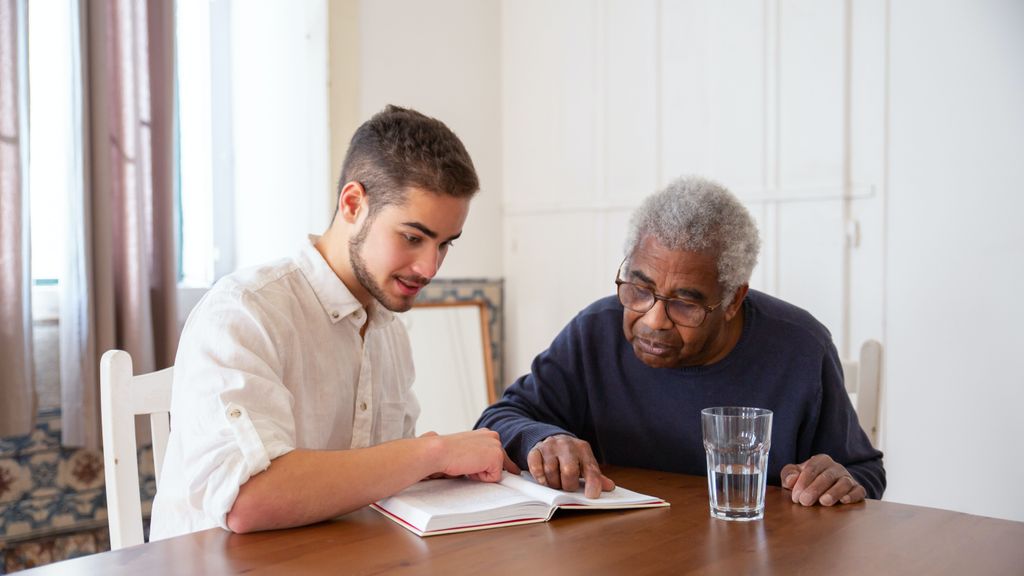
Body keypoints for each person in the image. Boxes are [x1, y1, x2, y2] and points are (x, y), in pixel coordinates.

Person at [150, 105, 516, 540]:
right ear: (353, 203)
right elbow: (248, 501)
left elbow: (384, 478)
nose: (430, 268)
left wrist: (451, 470)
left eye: (444, 245)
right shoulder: (245, 311)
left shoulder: (389, 332)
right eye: (413, 238)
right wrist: (433, 452)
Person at [476, 175, 885, 506]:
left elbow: (863, 472)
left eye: (685, 304)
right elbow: (497, 420)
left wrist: (837, 480)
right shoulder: (595, 332)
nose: (653, 320)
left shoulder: (800, 347)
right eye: (639, 290)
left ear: (732, 300)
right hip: (623, 555)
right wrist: (544, 438)